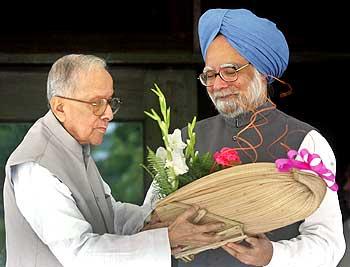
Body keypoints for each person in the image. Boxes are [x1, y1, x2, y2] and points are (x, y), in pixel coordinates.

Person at [3, 54, 225, 267]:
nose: (109, 113)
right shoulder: (36, 166)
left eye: (110, 102)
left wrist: (153, 218)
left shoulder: (73, 146)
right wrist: (167, 239)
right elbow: (80, 254)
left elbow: (108, 213)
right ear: (60, 107)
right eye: (96, 103)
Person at [178, 8, 346, 267]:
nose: (218, 84)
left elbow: (329, 243)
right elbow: (150, 221)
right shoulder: (187, 139)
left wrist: (273, 256)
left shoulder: (305, 141)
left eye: (231, 71)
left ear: (263, 72)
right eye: (210, 74)